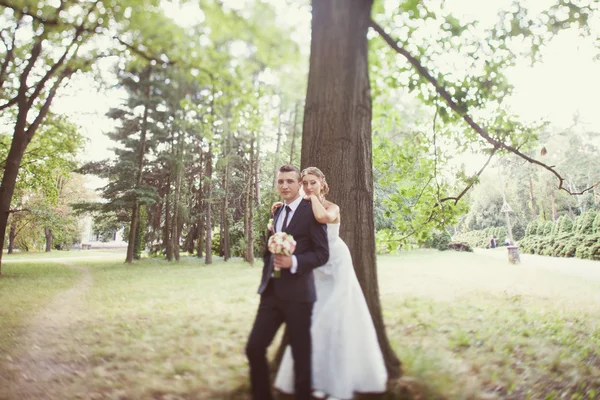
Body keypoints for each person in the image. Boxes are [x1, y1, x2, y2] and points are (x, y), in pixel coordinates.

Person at [274, 167, 388, 400]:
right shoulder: (302, 206)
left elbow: (322, 219)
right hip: (316, 267)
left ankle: (339, 382)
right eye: (304, 183)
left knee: (336, 317)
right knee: (313, 320)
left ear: (322, 185)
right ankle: (315, 380)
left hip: (336, 264)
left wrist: (311, 198)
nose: (307, 187)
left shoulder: (330, 207)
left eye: (312, 183)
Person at [245, 164, 329, 400]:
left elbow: (322, 254)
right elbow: (268, 250)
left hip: (299, 296)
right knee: (254, 348)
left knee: (302, 355)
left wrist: (293, 262)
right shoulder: (276, 212)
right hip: (271, 294)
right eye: (280, 181)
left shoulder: (311, 210)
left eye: (290, 181)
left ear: (299, 185)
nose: (284, 186)